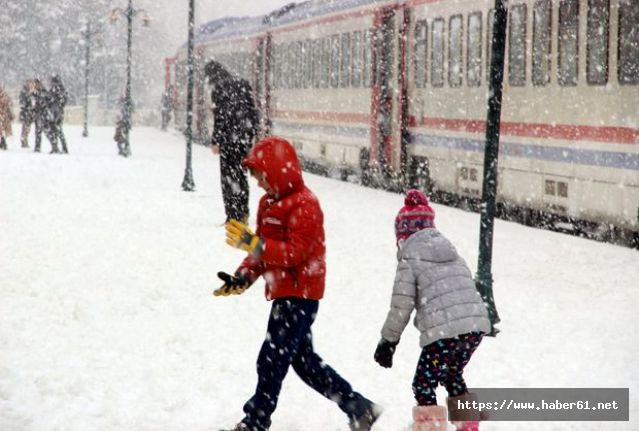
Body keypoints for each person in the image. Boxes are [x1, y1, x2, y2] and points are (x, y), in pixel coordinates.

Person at [216, 136, 381, 431]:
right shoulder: (267, 204)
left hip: (301, 295)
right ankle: (359, 407)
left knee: (271, 359)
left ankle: (255, 421)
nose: (258, 184)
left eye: (260, 177)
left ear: (276, 171)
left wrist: (254, 243)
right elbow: (262, 251)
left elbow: (293, 253)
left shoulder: (306, 205)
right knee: (304, 364)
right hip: (286, 293)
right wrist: (242, 277)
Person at [373, 189, 491, 431]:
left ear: (403, 235)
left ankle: (431, 429)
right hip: (474, 328)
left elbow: (401, 306)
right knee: (452, 374)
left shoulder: (410, 257)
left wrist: (388, 342)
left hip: (445, 334)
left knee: (423, 384)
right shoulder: (452, 252)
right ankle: (469, 427)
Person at [205, 60, 258, 223]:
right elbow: (252, 112)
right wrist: (250, 136)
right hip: (243, 139)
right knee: (241, 176)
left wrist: (216, 141)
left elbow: (220, 116)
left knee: (228, 178)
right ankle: (243, 213)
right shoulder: (242, 83)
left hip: (229, 141)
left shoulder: (218, 88)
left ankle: (232, 215)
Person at [43, 75, 69, 154]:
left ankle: (56, 146)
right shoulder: (61, 89)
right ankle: (61, 147)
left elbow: (51, 98)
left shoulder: (56, 89)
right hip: (58, 112)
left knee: (53, 129)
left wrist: (47, 98)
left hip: (55, 113)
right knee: (57, 130)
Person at [32, 79, 47, 153]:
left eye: (36, 83)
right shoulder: (35, 92)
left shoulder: (42, 92)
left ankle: (54, 145)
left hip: (42, 114)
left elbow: (43, 102)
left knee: (44, 131)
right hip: (38, 114)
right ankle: (37, 147)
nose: (35, 85)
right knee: (38, 131)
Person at [19, 79, 35, 148]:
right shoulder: (25, 92)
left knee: (27, 128)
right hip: (26, 113)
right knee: (25, 128)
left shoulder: (29, 92)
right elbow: (23, 103)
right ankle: (24, 141)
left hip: (28, 113)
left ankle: (24, 140)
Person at [0, 85, 14, 150]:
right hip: (3, 115)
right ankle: (3, 142)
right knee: (2, 130)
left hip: (3, 115)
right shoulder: (5, 95)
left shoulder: (4, 96)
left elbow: (10, 103)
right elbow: (10, 103)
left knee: (2, 130)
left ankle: (3, 142)